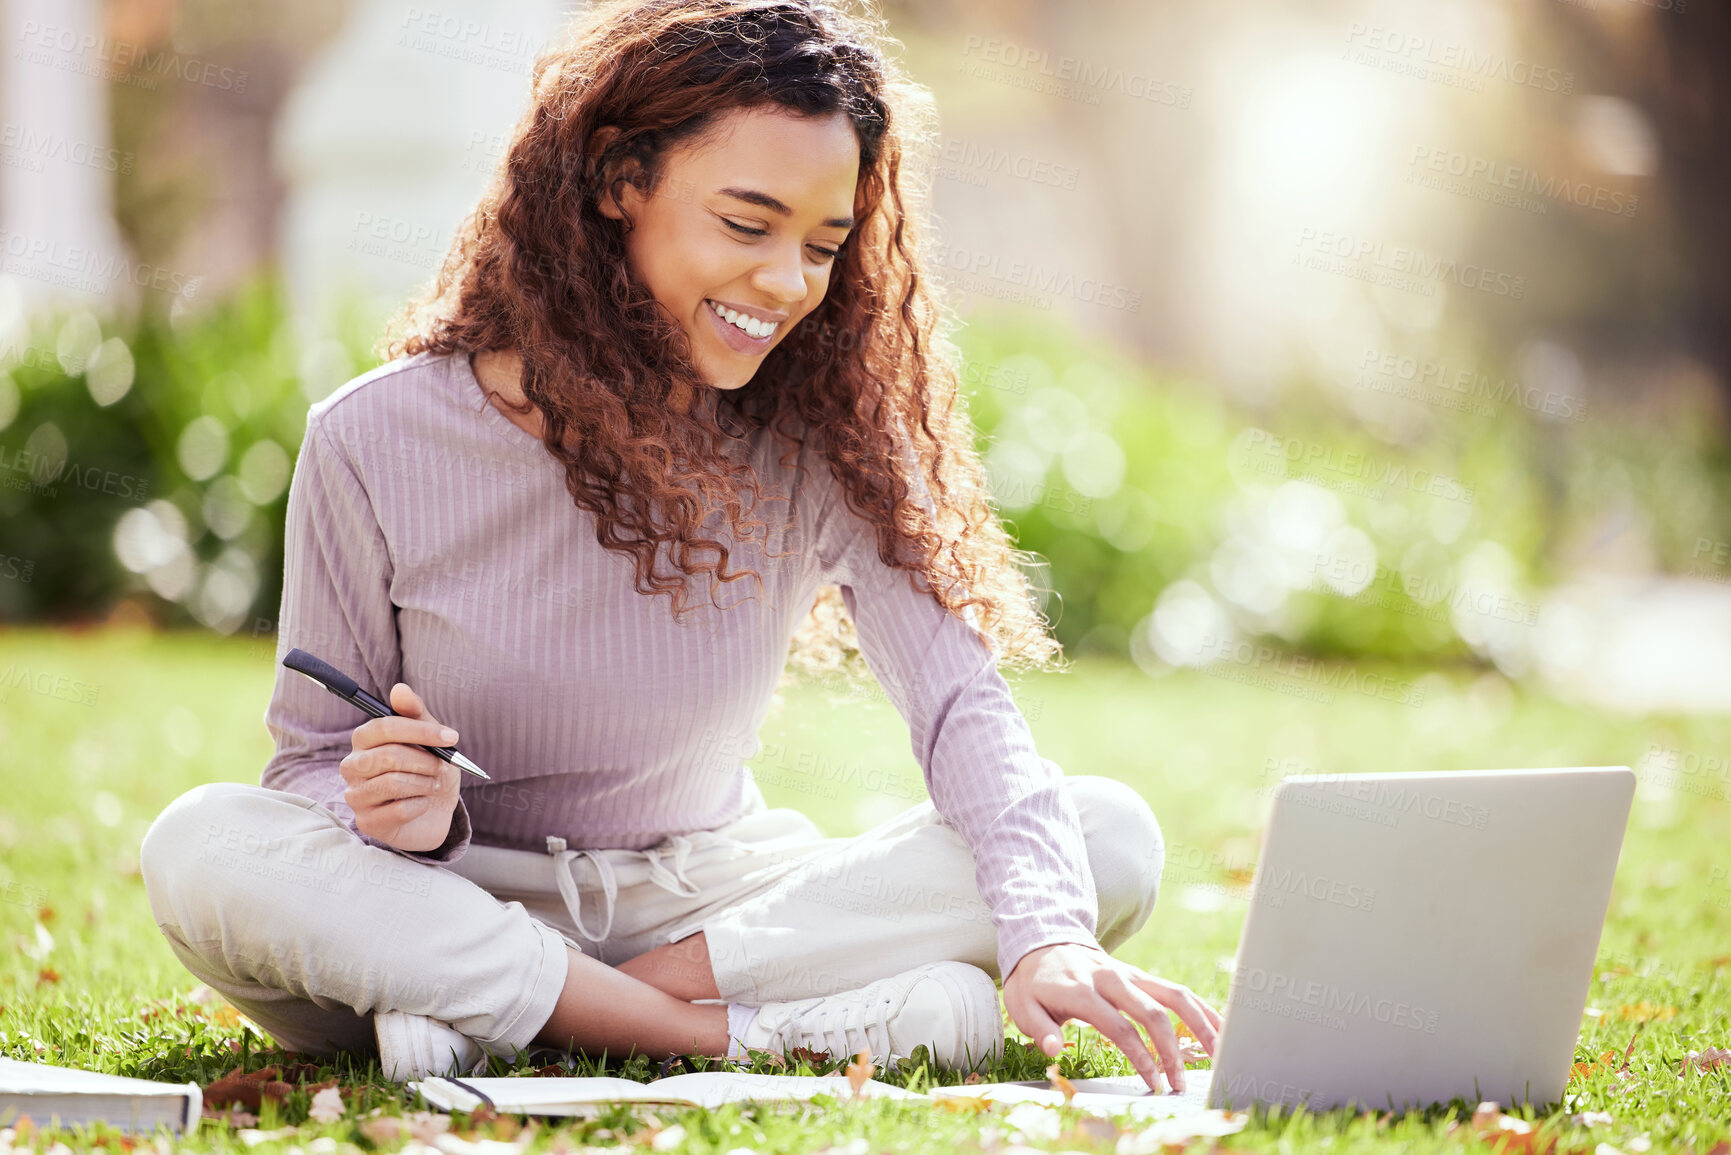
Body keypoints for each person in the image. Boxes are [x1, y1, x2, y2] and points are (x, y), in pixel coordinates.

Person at [139, 0, 1222, 1091]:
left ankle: (521, 1016)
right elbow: (314, 765)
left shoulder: (817, 430)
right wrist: (396, 814)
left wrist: (1049, 937)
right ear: (618, 184)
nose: (790, 284)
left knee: (1105, 839)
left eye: (823, 245)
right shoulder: (373, 436)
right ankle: (722, 1033)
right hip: (448, 902)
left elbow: (959, 704)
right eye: (747, 227)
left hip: (715, 903)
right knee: (202, 847)